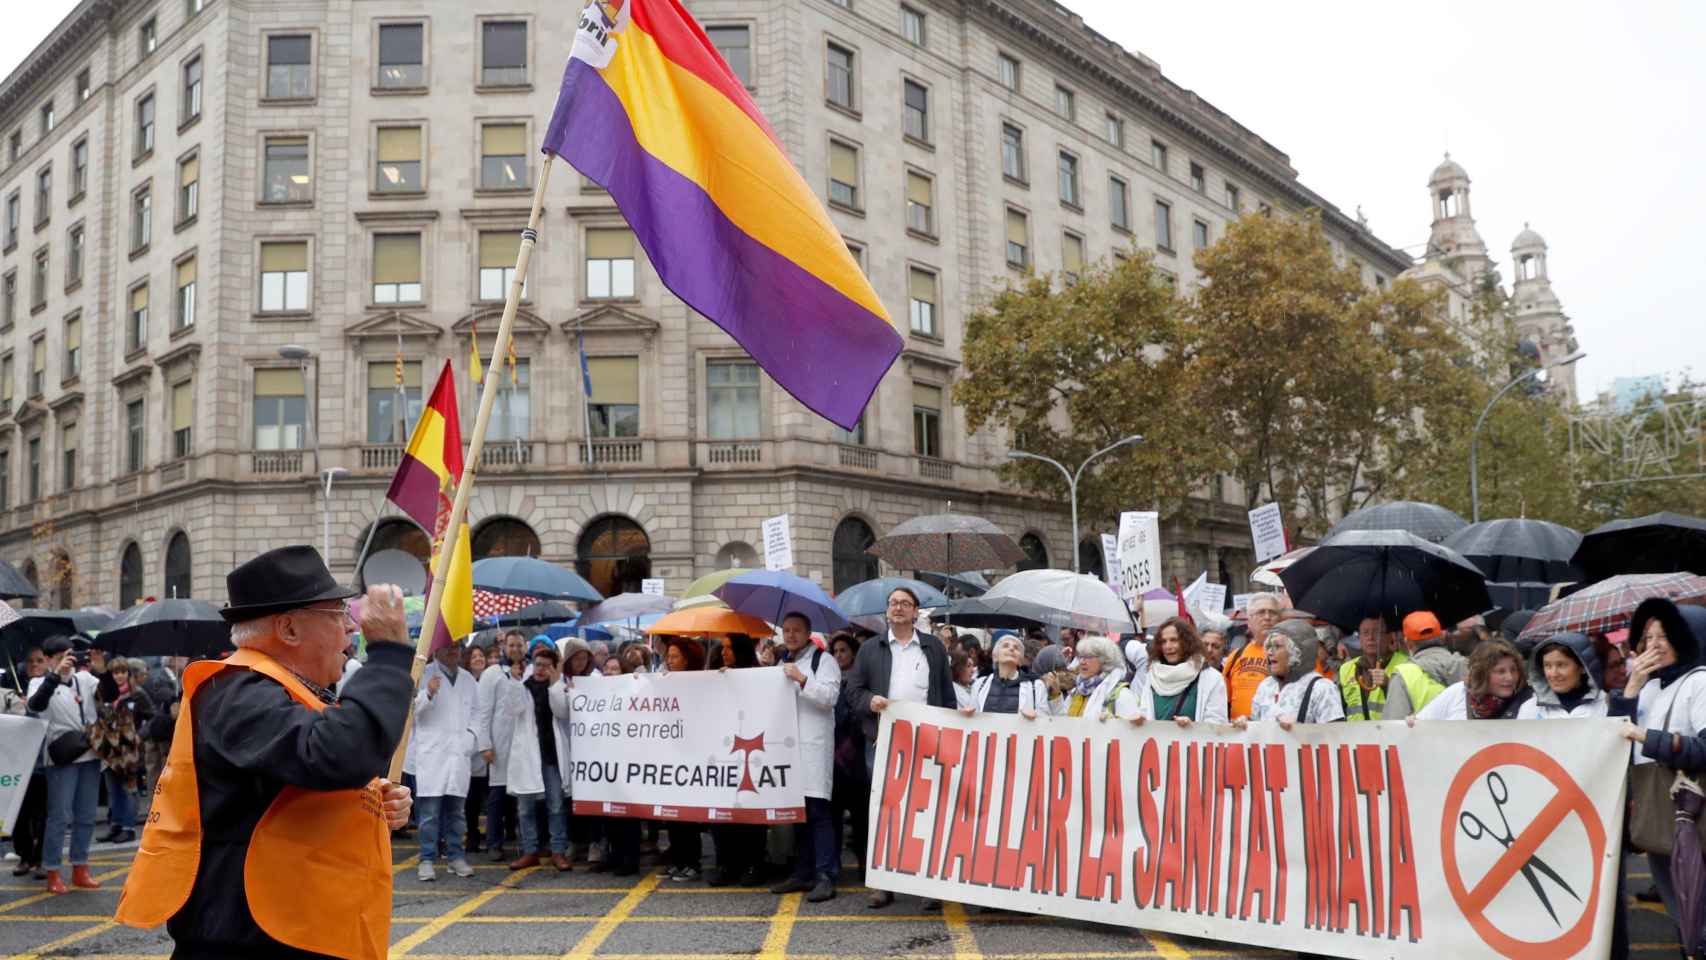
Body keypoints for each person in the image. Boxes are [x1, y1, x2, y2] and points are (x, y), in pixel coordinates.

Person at [113, 545, 414, 958]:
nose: (351, 628)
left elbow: (300, 779)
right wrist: (389, 657)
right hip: (251, 938)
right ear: (289, 629)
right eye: (338, 614)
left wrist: (368, 796)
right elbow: (335, 755)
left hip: (292, 926)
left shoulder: (280, 688)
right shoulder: (237, 692)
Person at [843, 586, 956, 908]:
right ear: (887, 611)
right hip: (882, 741)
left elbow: (946, 695)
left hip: (927, 742)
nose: (898, 608)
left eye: (905, 604)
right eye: (893, 603)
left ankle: (929, 884)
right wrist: (870, 702)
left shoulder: (933, 648)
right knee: (885, 812)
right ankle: (883, 883)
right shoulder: (870, 649)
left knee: (925, 811)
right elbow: (853, 691)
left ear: (916, 611)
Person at [769, 613, 843, 902]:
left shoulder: (823, 662)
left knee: (818, 813)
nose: (790, 635)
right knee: (798, 814)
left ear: (808, 632)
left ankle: (826, 875)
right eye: (786, 630)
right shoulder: (781, 662)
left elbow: (829, 697)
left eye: (796, 630)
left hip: (813, 748)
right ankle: (802, 873)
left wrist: (801, 679)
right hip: (787, 749)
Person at [27, 637, 103, 894]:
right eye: (58, 657)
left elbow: (111, 696)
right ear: (48, 660)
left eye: (67, 655)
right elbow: (35, 705)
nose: (65, 661)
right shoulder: (39, 682)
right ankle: (52, 871)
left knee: (86, 816)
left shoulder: (84, 679)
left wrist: (102, 669)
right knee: (59, 817)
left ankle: (80, 867)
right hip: (61, 757)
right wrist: (55, 676)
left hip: (90, 753)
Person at [500, 644, 573, 873]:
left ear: (553, 668)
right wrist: (513, 682)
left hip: (551, 755)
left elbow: (562, 712)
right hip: (527, 755)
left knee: (556, 805)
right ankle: (530, 851)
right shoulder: (523, 686)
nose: (541, 669)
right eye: (538, 665)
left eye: (546, 666)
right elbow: (513, 709)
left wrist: (555, 684)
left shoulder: (558, 687)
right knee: (525, 807)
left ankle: (558, 851)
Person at [413, 641, 480, 881]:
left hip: (458, 754)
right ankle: (427, 859)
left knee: (457, 813)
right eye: (448, 647)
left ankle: (455, 857)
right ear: (436, 650)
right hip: (433, 755)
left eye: (457, 647)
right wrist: (428, 693)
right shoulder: (423, 674)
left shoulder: (468, 680)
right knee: (429, 814)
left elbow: (476, 713)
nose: (453, 651)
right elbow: (410, 711)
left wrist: (470, 739)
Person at [475, 630, 527, 862]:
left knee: (523, 795)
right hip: (501, 742)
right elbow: (483, 712)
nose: (515, 649)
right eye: (511, 645)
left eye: (519, 645)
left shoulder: (532, 671)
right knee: (498, 796)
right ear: (504, 646)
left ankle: (522, 840)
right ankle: (494, 842)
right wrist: (485, 743)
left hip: (525, 743)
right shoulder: (492, 674)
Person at [95, 656, 154, 844]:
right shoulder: (103, 693)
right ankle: (116, 825)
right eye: (115, 672)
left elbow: (153, 717)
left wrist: (140, 735)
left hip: (130, 750)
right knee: (113, 790)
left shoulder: (138, 694)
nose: (119, 676)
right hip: (110, 749)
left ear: (128, 674)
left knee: (129, 789)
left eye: (122, 672)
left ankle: (128, 828)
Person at [1241, 619, 1343, 727]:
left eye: (1277, 646)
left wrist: (1298, 730)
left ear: (1298, 652)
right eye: (1268, 647)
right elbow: (1256, 724)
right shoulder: (1266, 685)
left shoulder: (1322, 688)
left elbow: (1334, 737)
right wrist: (1245, 724)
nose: (1270, 652)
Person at [1134, 617, 1229, 726]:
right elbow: (1146, 713)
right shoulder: (1152, 675)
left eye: (1174, 640)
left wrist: (1192, 728)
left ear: (1187, 642)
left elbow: (1218, 724)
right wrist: (1139, 720)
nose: (1168, 646)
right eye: (1163, 641)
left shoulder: (1212, 678)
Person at [828, 632, 869, 875]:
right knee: (833, 815)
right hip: (832, 758)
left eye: (843, 650)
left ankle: (866, 864)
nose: (839, 655)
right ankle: (833, 864)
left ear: (853, 652)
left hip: (856, 758)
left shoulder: (860, 679)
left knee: (860, 817)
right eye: (835, 651)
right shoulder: (830, 678)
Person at [1413, 638, 1531, 721]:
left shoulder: (1529, 701)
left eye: (1513, 670)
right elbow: (1421, 723)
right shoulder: (1457, 693)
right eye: (1500, 671)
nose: (1510, 677)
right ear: (1482, 673)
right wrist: (1411, 723)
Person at [8, 644, 49, 880]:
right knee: (21, 814)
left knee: (42, 813)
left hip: (43, 762)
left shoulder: (49, 687)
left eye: (39, 660)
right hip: (20, 762)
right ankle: (24, 856)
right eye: (31, 661)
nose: (34, 665)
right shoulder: (15, 688)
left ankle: (39, 858)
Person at [1381, 611, 1465, 721]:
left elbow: (1393, 726)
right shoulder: (1468, 666)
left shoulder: (1403, 674)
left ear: (1408, 643)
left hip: (1422, 738)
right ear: (1441, 637)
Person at [1516, 632, 1608, 719]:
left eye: (1561, 665)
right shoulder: (1529, 709)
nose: (1553, 674)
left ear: (1583, 667)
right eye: (1547, 665)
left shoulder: (1605, 704)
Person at [961, 634, 1053, 718]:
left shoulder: (1036, 686)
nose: (1011, 649)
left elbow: (1046, 719)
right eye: (1005, 646)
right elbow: (972, 718)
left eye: (1016, 648)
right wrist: (966, 714)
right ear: (995, 656)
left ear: (1021, 660)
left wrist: (1037, 716)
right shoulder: (980, 684)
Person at [1338, 616, 1409, 721]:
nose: (1370, 637)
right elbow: (1339, 712)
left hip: (1391, 735)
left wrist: (1389, 686)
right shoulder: (1346, 668)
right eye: (1365, 633)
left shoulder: (1406, 665)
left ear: (1391, 637)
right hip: (1354, 736)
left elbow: (1412, 708)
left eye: (1377, 633)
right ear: (1360, 639)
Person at [1224, 594, 1281, 719]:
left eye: (1272, 612)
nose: (1267, 617)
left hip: (1275, 734)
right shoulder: (1235, 656)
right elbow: (1223, 701)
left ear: (1280, 619)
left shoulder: (1291, 656)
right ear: (1249, 621)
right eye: (1261, 612)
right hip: (1240, 734)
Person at [1064, 635, 1139, 720]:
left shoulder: (1121, 694)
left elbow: (1132, 728)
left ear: (1105, 660)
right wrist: (1054, 697)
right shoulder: (1076, 691)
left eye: (1088, 657)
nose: (1082, 662)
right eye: (1080, 656)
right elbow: (1058, 723)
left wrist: (1114, 722)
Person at [461, 645, 489, 854]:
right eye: (474, 656)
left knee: (489, 795)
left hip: (491, 745)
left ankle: (493, 832)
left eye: (481, 656)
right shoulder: (465, 682)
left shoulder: (492, 679)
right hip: (471, 748)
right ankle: (472, 833)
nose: (478, 659)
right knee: (472, 798)